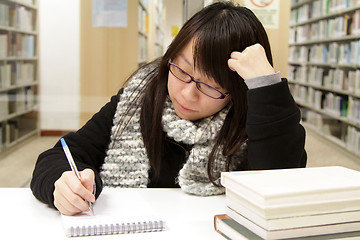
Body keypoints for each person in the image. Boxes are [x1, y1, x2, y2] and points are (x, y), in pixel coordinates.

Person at [31, 2, 307, 216]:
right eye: (182, 71)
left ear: (236, 92)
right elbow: (61, 156)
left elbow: (282, 189)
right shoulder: (139, 98)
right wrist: (63, 182)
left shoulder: (255, 116)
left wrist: (266, 88)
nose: (187, 93)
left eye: (210, 86)